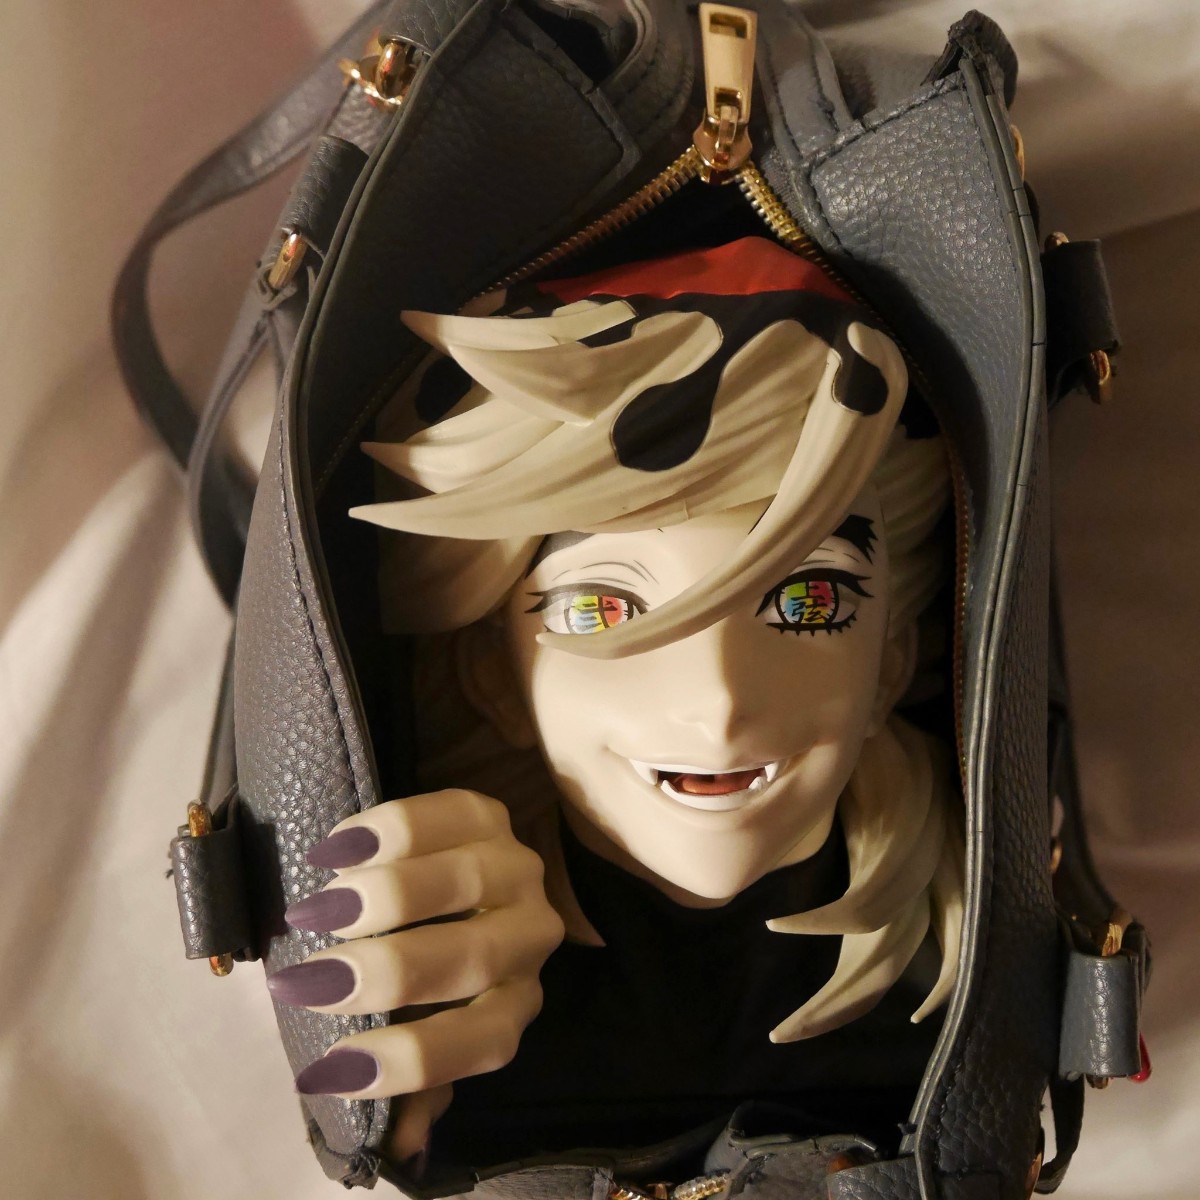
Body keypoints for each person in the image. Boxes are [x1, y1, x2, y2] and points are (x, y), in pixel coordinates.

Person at [264, 237, 962, 1169]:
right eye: (601, 608)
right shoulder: (466, 929)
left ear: (891, 665)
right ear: (492, 679)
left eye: (808, 602)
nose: (718, 703)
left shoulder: (963, 933)